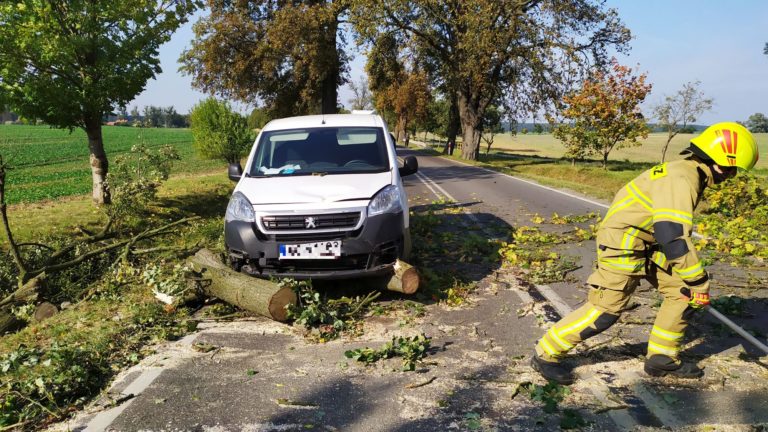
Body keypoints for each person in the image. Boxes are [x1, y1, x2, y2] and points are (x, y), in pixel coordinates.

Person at [531, 122, 759, 385]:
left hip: (648, 241)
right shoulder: (682, 178)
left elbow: (665, 233)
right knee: (607, 309)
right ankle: (546, 353)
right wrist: (699, 280)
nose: (730, 176)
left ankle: (661, 359)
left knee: (682, 292)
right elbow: (673, 237)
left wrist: (691, 283)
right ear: (717, 160)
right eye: (730, 170)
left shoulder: (687, 172)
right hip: (624, 241)